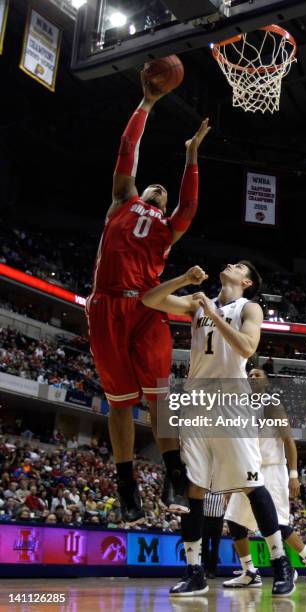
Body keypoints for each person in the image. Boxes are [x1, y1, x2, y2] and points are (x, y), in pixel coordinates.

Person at [86, 71, 210, 521]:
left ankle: (174, 474)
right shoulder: (122, 199)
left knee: (160, 398)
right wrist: (147, 105)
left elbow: (191, 207)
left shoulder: (168, 229)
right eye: (153, 184)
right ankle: (125, 485)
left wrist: (191, 157)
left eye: (165, 188)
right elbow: (126, 148)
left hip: (145, 305)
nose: (158, 187)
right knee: (120, 405)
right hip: (105, 305)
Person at [142, 263, 295, 597]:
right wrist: (184, 280)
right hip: (196, 400)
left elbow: (247, 348)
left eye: (238, 266)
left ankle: (282, 564)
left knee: (251, 484)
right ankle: (195, 572)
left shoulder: (249, 307)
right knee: (192, 488)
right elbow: (150, 300)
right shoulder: (198, 301)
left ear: (246, 281)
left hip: (230, 400)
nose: (229, 264)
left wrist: (212, 312)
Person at [223, 368, 306, 589]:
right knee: (234, 522)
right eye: (249, 375)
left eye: (257, 375)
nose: (252, 378)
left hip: (272, 470)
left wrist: (293, 474)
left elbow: (289, 441)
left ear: (266, 383)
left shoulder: (271, 404)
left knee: (276, 524)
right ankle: (250, 572)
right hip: (248, 471)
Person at [202, 492, 225, 578]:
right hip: (205, 519)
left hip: (218, 520)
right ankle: (205, 569)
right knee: (204, 546)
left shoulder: (223, 490)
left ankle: (213, 571)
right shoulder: (206, 489)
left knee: (215, 546)